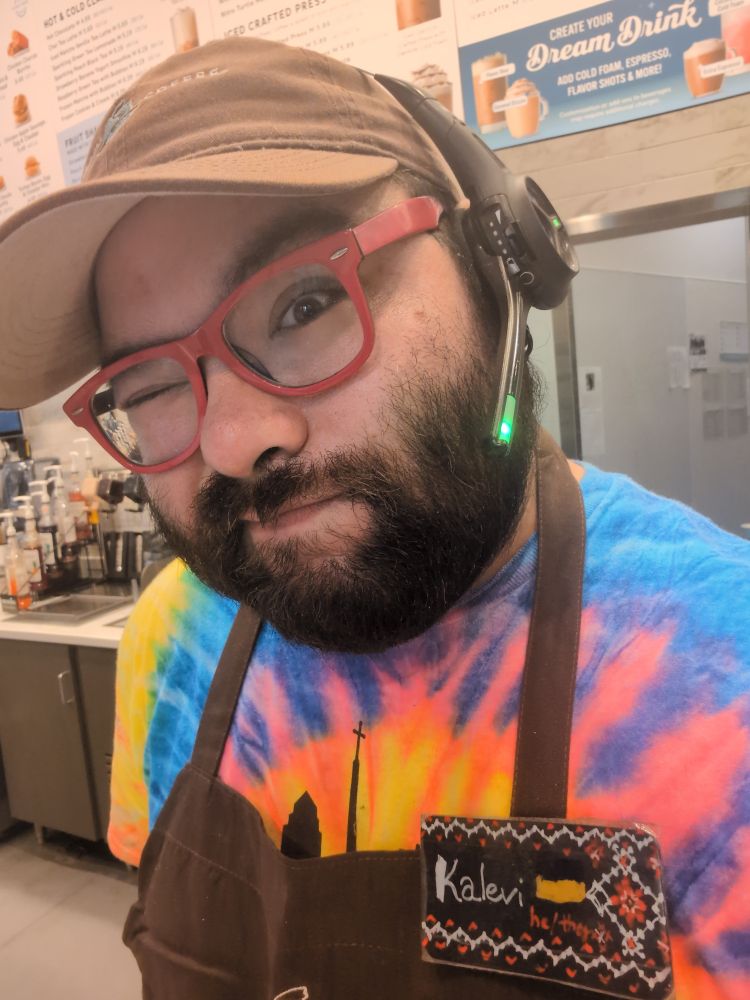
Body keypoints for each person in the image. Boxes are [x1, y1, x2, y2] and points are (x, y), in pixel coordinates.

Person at [0, 35, 748, 1000]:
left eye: (306, 301)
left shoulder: (717, 683)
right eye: (149, 386)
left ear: (499, 273)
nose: (232, 443)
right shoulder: (174, 639)